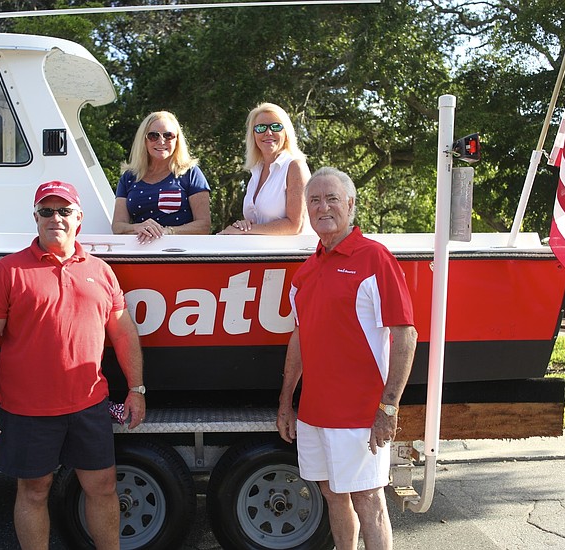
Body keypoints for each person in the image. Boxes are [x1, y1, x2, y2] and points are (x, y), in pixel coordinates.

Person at [0, 180, 145, 550]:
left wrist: (136, 388)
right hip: (25, 409)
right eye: (46, 211)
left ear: (79, 218)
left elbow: (124, 334)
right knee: (33, 491)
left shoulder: (101, 270)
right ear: (35, 218)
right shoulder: (7, 271)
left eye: (64, 211)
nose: (55, 218)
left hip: (88, 404)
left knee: (103, 487)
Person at [276, 167, 417, 550]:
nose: (323, 207)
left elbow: (406, 334)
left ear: (350, 205)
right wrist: (287, 402)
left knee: (368, 500)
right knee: (333, 495)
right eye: (315, 200)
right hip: (313, 414)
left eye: (332, 198)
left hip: (359, 415)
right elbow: (300, 338)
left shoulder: (375, 258)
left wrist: (388, 407)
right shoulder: (305, 271)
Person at [112, 111, 211, 243]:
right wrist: (138, 228)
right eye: (153, 136)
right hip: (139, 254)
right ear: (144, 140)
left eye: (168, 135)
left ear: (177, 140)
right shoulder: (129, 177)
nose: (161, 141)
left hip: (181, 254)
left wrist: (168, 232)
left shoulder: (191, 173)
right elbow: (118, 226)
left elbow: (204, 226)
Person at [218, 103, 311, 235]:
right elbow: (259, 223)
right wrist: (243, 225)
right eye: (261, 128)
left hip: (291, 254)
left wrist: (245, 231)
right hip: (260, 253)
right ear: (253, 135)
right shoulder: (256, 171)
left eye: (276, 126)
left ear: (286, 133)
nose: (268, 132)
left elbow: (295, 225)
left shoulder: (295, 167)